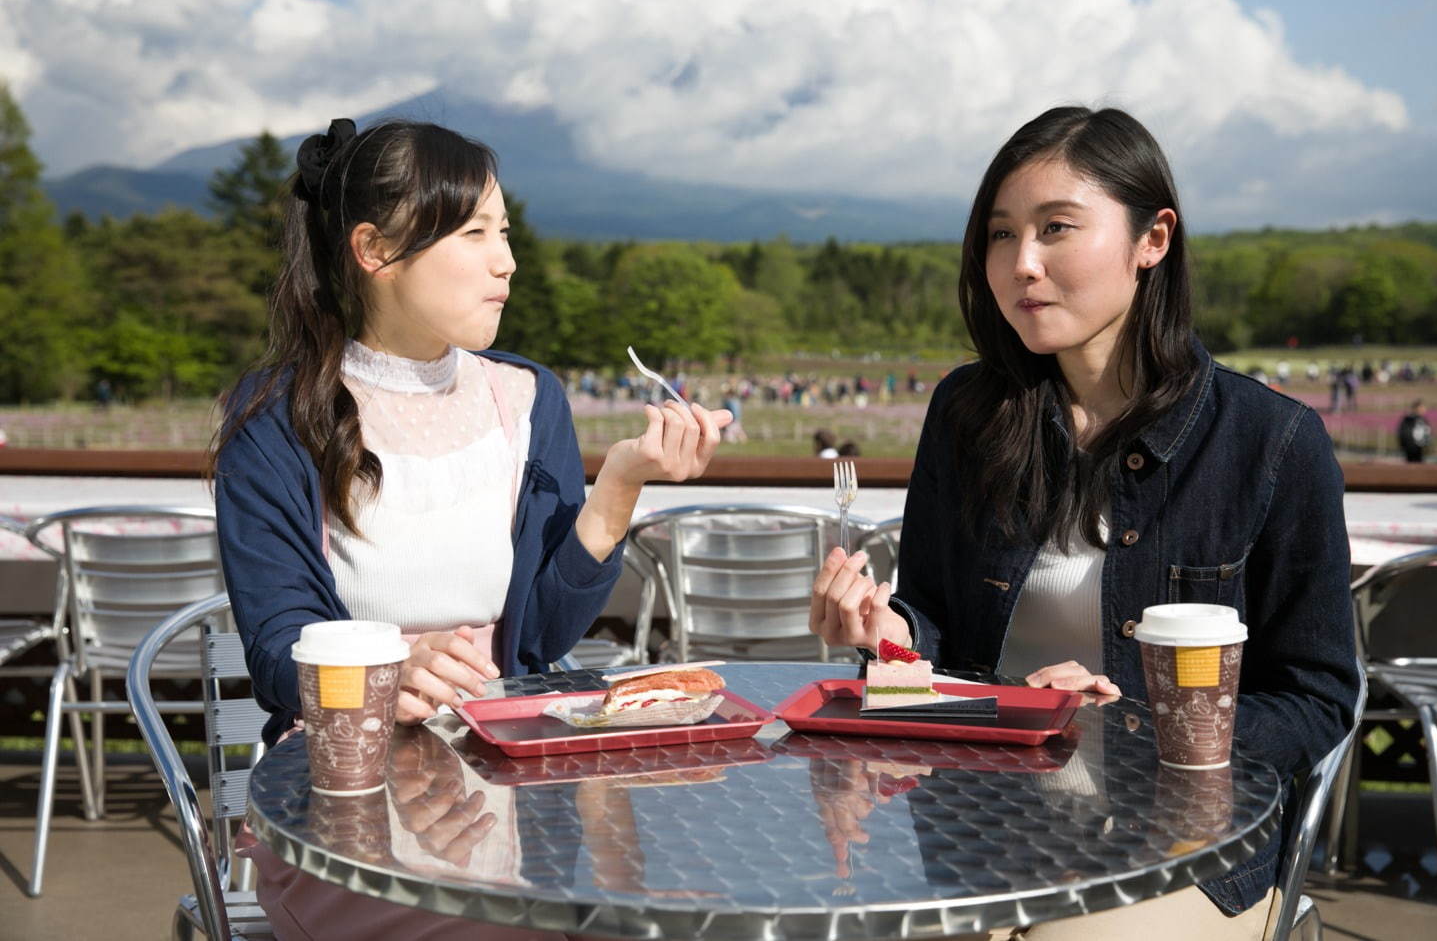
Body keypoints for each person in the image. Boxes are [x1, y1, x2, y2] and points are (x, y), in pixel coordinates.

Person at [807, 106, 1358, 940]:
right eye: (999, 234)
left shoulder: (1269, 443)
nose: (1021, 263)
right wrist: (885, 631)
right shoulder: (969, 413)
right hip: (981, 820)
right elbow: (934, 624)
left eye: (1055, 228)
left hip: (1186, 842)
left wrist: (1129, 717)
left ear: (1153, 238)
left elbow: (1316, 698)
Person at [211, 118, 731, 940]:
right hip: (349, 796)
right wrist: (389, 665)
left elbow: (544, 638)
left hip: (515, 776)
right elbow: (279, 651)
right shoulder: (276, 421)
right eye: (476, 232)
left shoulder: (526, 400)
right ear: (374, 249)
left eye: (507, 232)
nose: (507, 261)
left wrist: (620, 484)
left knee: (676, 898)